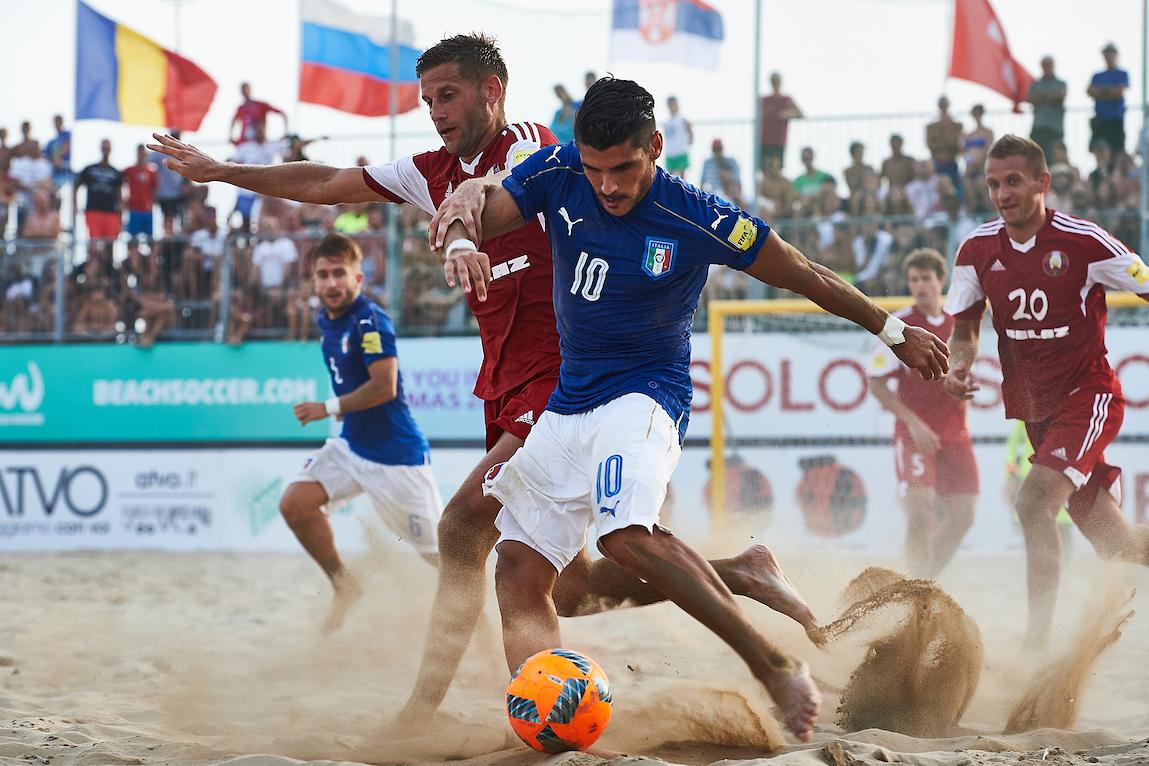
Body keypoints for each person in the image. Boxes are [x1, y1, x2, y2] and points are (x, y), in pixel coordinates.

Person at [146, 34, 817, 731]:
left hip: (564, 382)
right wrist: (224, 171)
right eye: (427, 98)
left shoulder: (530, 147)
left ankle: (430, 712)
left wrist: (465, 229)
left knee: (462, 527)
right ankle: (739, 572)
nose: (435, 110)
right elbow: (326, 183)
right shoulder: (428, 170)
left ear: (491, 91)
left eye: (448, 94)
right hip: (503, 386)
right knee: (571, 589)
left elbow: (491, 189)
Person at [430, 76, 950, 741]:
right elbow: (477, 210)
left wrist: (894, 332)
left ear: (654, 146)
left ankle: (772, 664)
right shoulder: (559, 169)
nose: (607, 187)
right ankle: (552, 721)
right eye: (595, 170)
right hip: (568, 404)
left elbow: (804, 272)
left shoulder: (695, 215)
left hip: (644, 398)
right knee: (521, 571)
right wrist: (461, 234)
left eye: (623, 168)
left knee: (624, 536)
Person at [943, 134, 1149, 649]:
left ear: (1043, 183)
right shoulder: (975, 250)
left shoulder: (1085, 241)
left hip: (1088, 396)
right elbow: (963, 331)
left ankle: (1034, 650)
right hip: (1038, 412)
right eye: (993, 184)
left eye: (1013, 181)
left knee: (1033, 503)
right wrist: (958, 365)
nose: (1002, 193)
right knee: (1118, 545)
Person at [282, 233, 442, 633]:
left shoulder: (370, 320)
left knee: (444, 564)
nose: (331, 282)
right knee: (295, 504)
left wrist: (326, 408)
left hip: (397, 460)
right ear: (314, 281)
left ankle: (487, 632)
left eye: (340, 273)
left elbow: (383, 387)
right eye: (323, 275)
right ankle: (345, 585)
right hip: (352, 447)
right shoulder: (326, 319)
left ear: (358, 278)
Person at [868, 249, 977, 578]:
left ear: (941, 281)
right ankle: (917, 585)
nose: (919, 286)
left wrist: (962, 386)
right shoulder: (899, 325)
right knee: (920, 511)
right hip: (914, 433)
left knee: (964, 515)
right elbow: (876, 383)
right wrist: (913, 424)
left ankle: (924, 581)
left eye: (926, 278)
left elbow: (961, 371)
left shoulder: (958, 324)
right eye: (913, 280)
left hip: (955, 432)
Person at [74, 139, 124, 247]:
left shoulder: (116, 172)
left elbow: (120, 196)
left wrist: (120, 218)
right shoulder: (90, 169)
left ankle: (108, 260)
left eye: (107, 147)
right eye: (104, 147)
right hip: (93, 212)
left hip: (111, 213)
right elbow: (76, 185)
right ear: (101, 148)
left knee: (110, 245)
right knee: (94, 245)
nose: (105, 149)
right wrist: (75, 205)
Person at [1087, 43, 1128, 155]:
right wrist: (1109, 91)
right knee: (1098, 151)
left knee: (1117, 151)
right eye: (1106, 54)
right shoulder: (1097, 75)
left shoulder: (1122, 74)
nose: (1108, 57)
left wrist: (1100, 92)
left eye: (1110, 54)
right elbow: (1089, 91)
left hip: (1115, 119)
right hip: (1100, 119)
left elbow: (1118, 92)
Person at [759, 71, 802, 172]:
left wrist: (786, 114)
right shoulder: (764, 100)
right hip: (765, 140)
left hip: (778, 141)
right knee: (765, 168)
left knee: (776, 168)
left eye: (777, 80)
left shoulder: (786, 99)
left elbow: (799, 114)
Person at [1026, 56, 1066, 162]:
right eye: (1045, 65)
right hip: (1038, 128)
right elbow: (1030, 98)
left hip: (1054, 129)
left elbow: (1060, 96)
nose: (1047, 67)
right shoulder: (1035, 84)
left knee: (1053, 159)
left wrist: (1041, 97)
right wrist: (1050, 97)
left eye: (1049, 64)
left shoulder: (1060, 83)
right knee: (1036, 159)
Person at [123, 144, 158, 241]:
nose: (141, 155)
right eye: (140, 152)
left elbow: (154, 190)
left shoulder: (151, 172)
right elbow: (121, 184)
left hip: (147, 210)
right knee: (133, 240)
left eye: (143, 153)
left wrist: (152, 204)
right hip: (134, 209)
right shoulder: (129, 170)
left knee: (150, 239)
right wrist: (123, 200)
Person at [662, 95, 692, 179]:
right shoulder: (666, 122)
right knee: (669, 177)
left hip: (681, 151)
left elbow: (690, 132)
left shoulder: (683, 119)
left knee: (682, 179)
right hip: (670, 153)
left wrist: (689, 140)